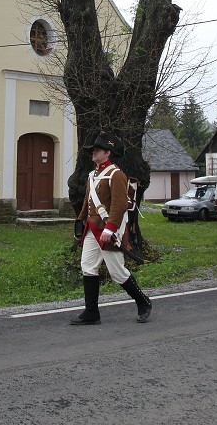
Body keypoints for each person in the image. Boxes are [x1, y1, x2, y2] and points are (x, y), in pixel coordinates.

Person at [70, 132, 152, 325]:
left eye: (96, 150)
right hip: (92, 229)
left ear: (107, 153)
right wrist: (80, 221)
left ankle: (143, 302)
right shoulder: (93, 174)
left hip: (108, 230)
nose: (93, 153)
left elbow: (119, 204)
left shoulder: (116, 174)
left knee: (117, 272)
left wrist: (111, 228)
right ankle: (91, 313)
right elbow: (87, 202)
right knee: (88, 267)